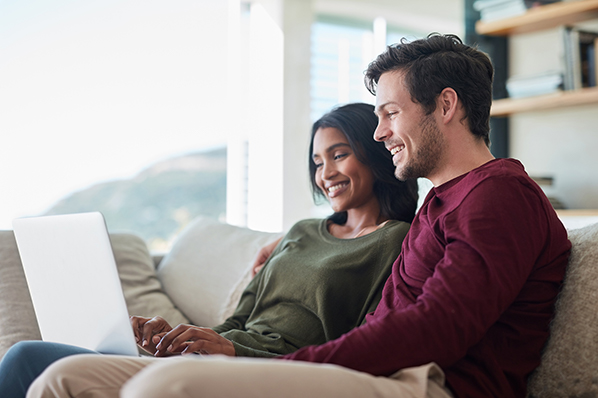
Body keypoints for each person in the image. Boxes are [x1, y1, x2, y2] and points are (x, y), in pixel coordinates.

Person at [26, 33, 571, 398]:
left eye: (391, 113)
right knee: (64, 377)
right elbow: (377, 318)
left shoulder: (500, 196)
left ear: (446, 106)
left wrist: (294, 367)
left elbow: (439, 327)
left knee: (162, 388)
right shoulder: (441, 201)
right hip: (381, 375)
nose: (381, 133)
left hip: (426, 386)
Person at [0, 102, 418, 398]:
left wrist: (232, 349)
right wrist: (175, 338)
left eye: (338, 155)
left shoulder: (396, 242)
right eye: (316, 162)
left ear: (376, 153)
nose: (324, 174)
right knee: (29, 359)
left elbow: (358, 342)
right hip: (213, 359)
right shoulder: (302, 232)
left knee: (28, 359)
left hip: (265, 373)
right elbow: (239, 320)